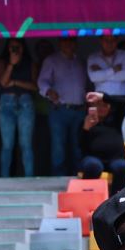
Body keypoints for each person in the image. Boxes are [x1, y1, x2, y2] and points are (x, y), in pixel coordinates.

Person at [38, 37, 88, 177]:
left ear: (76, 43)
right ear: (60, 43)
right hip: (60, 110)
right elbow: (42, 82)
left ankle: (78, 177)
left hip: (79, 110)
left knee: (78, 146)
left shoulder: (81, 61)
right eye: (65, 41)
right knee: (58, 148)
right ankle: (58, 180)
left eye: (71, 41)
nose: (68, 44)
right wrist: (49, 91)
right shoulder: (51, 60)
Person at [0, 38, 40, 179]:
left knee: (26, 144)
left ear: (23, 47)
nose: (15, 50)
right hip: (6, 104)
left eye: (18, 47)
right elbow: (3, 82)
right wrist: (11, 64)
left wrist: (15, 82)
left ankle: (29, 178)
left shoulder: (30, 63)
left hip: (25, 103)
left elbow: (35, 86)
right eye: (12, 47)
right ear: (7, 49)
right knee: (7, 145)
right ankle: (4, 179)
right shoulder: (2, 62)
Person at [78, 93, 125, 192]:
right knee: (93, 166)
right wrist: (86, 129)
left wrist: (102, 97)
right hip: (93, 158)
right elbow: (80, 145)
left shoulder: (115, 120)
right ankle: (90, 196)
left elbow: (124, 103)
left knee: (123, 167)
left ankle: (116, 198)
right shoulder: (85, 121)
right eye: (98, 105)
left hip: (115, 159)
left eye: (105, 105)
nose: (101, 108)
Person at [87, 36, 125, 116]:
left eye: (113, 40)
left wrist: (102, 72)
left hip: (121, 99)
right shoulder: (93, 58)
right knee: (103, 124)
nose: (109, 43)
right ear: (101, 41)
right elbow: (93, 78)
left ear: (117, 40)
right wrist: (113, 70)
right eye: (106, 40)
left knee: (122, 124)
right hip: (101, 100)